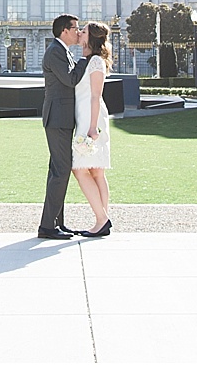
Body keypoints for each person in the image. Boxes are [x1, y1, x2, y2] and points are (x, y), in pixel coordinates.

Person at [37, 13, 88, 240]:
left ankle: (57, 222)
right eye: (75, 29)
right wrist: (87, 59)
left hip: (62, 118)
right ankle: (47, 226)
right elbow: (70, 79)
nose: (78, 32)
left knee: (58, 171)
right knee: (61, 171)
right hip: (57, 118)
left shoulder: (62, 51)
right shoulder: (55, 52)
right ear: (64, 31)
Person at [71, 21, 113, 237]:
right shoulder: (88, 61)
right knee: (96, 171)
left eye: (84, 31)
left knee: (80, 169)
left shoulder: (96, 61)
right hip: (86, 117)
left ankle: (101, 218)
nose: (79, 33)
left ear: (91, 38)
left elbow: (96, 96)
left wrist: (92, 128)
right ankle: (102, 219)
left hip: (91, 119)